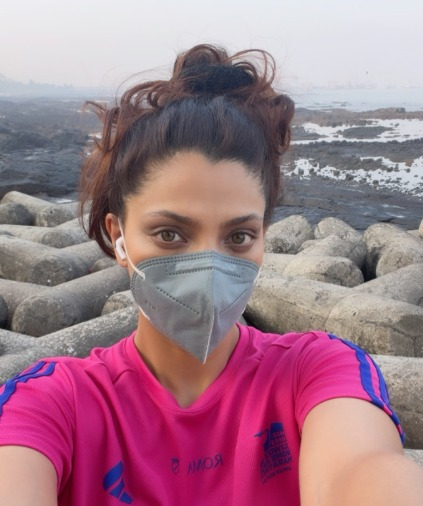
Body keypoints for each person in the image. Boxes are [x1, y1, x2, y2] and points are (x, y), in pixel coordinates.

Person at [0, 44, 422, 506]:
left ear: (263, 238)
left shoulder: (317, 370)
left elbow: (362, 471)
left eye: (239, 236)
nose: (209, 268)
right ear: (118, 237)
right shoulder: (54, 402)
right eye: (170, 234)